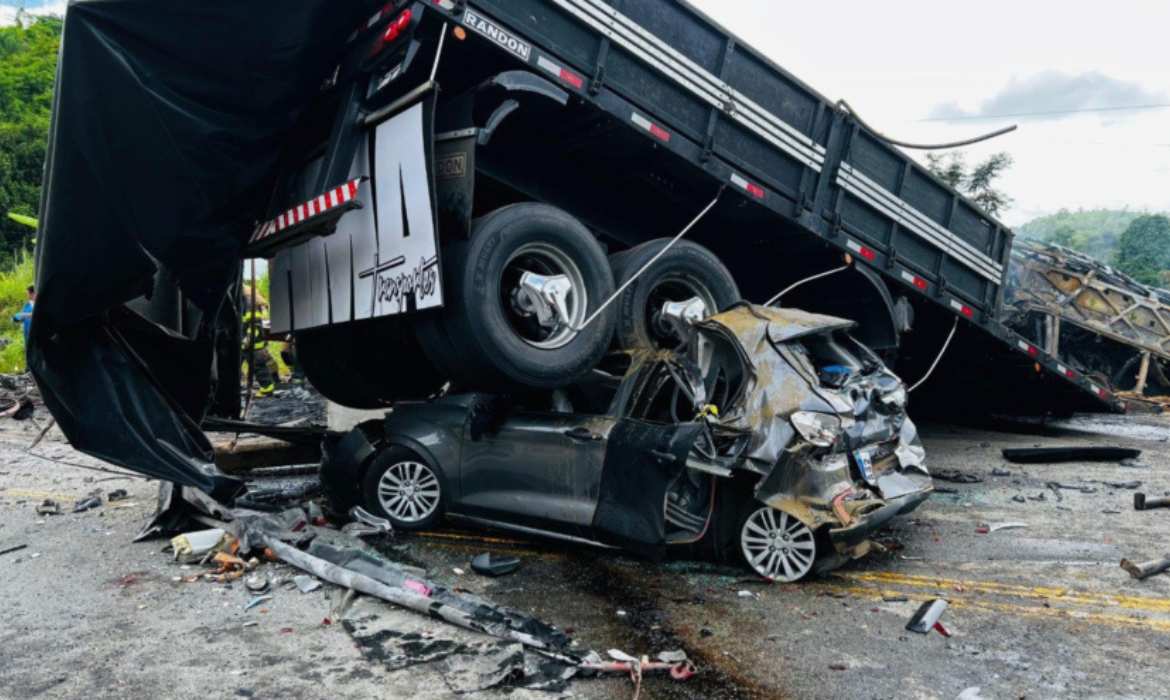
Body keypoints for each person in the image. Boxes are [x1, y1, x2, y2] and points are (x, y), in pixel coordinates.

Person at [241, 286, 279, 397]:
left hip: (253, 343)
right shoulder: (242, 301)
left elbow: (255, 325)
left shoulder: (250, 303)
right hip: (243, 341)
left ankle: (267, 390)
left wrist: (248, 341)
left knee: (258, 367)